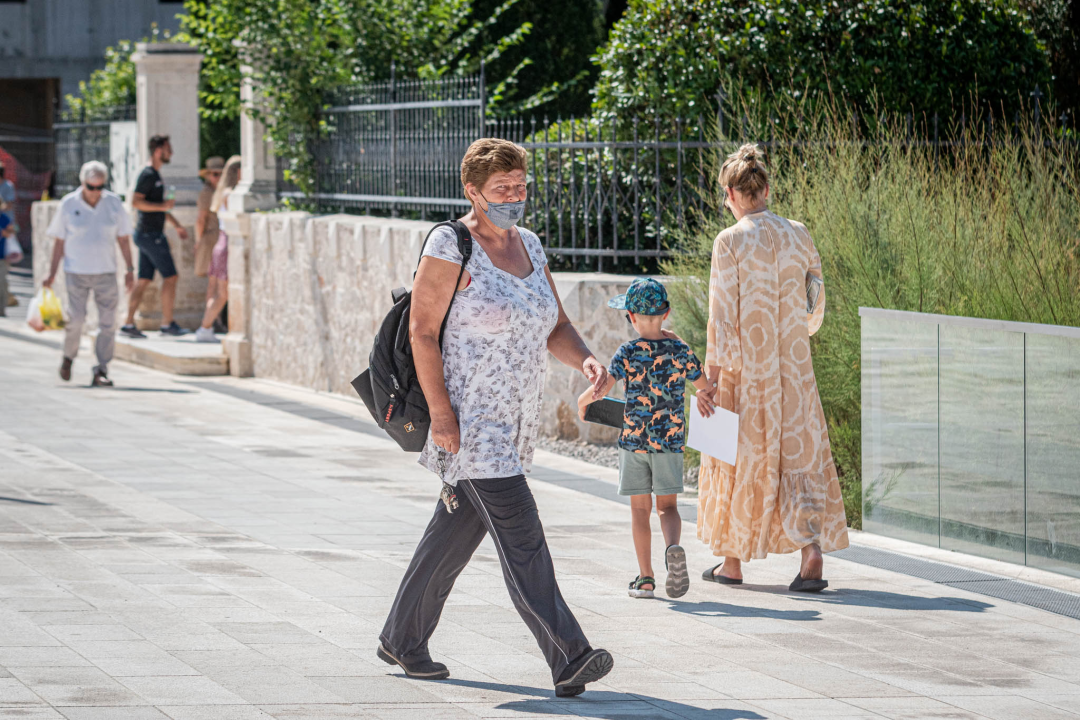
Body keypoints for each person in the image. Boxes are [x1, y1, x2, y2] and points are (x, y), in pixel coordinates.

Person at [378, 138, 614, 698]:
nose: (513, 197)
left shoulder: (528, 243)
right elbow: (421, 330)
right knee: (520, 531)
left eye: (520, 186)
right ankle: (569, 655)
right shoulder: (450, 243)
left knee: (456, 529)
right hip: (469, 420)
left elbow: (554, 323)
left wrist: (584, 358)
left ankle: (402, 639)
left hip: (514, 422)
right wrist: (440, 414)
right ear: (473, 191)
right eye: (501, 189)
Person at [697, 143, 848, 593]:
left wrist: (711, 379)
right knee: (798, 457)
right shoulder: (799, 233)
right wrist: (794, 334)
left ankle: (732, 563)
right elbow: (815, 302)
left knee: (737, 456)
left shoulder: (730, 240)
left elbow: (721, 316)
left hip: (748, 374)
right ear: (766, 188)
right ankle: (811, 554)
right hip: (795, 369)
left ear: (732, 193)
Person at [578, 278, 715, 600]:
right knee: (667, 508)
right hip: (669, 442)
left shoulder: (627, 351)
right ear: (665, 314)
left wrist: (583, 403)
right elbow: (705, 385)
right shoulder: (680, 350)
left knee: (640, 510)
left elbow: (603, 387)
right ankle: (673, 547)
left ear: (631, 317)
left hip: (634, 441)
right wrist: (706, 393)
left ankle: (646, 579)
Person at [42, 161, 136, 387]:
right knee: (76, 319)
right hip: (76, 272)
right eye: (90, 187)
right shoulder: (68, 204)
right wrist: (52, 273)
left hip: (106, 271)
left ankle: (101, 369)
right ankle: (68, 356)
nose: (95, 192)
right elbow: (59, 242)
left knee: (107, 323)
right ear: (82, 183)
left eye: (99, 187)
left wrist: (130, 270)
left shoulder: (114, 204)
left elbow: (123, 239)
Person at [120, 134, 191, 338]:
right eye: (169, 149)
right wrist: (162, 207)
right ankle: (167, 324)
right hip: (151, 235)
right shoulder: (148, 175)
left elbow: (161, 208)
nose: (172, 153)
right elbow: (136, 202)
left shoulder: (155, 175)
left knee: (143, 280)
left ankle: (128, 323)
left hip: (147, 235)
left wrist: (176, 225)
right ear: (159, 151)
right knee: (171, 277)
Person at [194, 155, 240, 343]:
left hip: (219, 242)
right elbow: (201, 220)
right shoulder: (228, 194)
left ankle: (208, 325)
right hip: (222, 242)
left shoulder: (221, 192)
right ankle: (206, 327)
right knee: (221, 293)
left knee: (215, 291)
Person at [194, 156, 224, 280]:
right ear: (208, 176)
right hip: (211, 238)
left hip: (220, 237)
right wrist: (199, 240)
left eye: (221, 174)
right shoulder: (207, 192)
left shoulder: (222, 191)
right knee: (213, 278)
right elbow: (201, 219)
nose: (218, 178)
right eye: (215, 174)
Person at [0, 213, 24, 316]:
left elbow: (14, 230)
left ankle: (1, 309)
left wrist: (5, 232)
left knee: (1, 283)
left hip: (2, 257)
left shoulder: (4, 218)